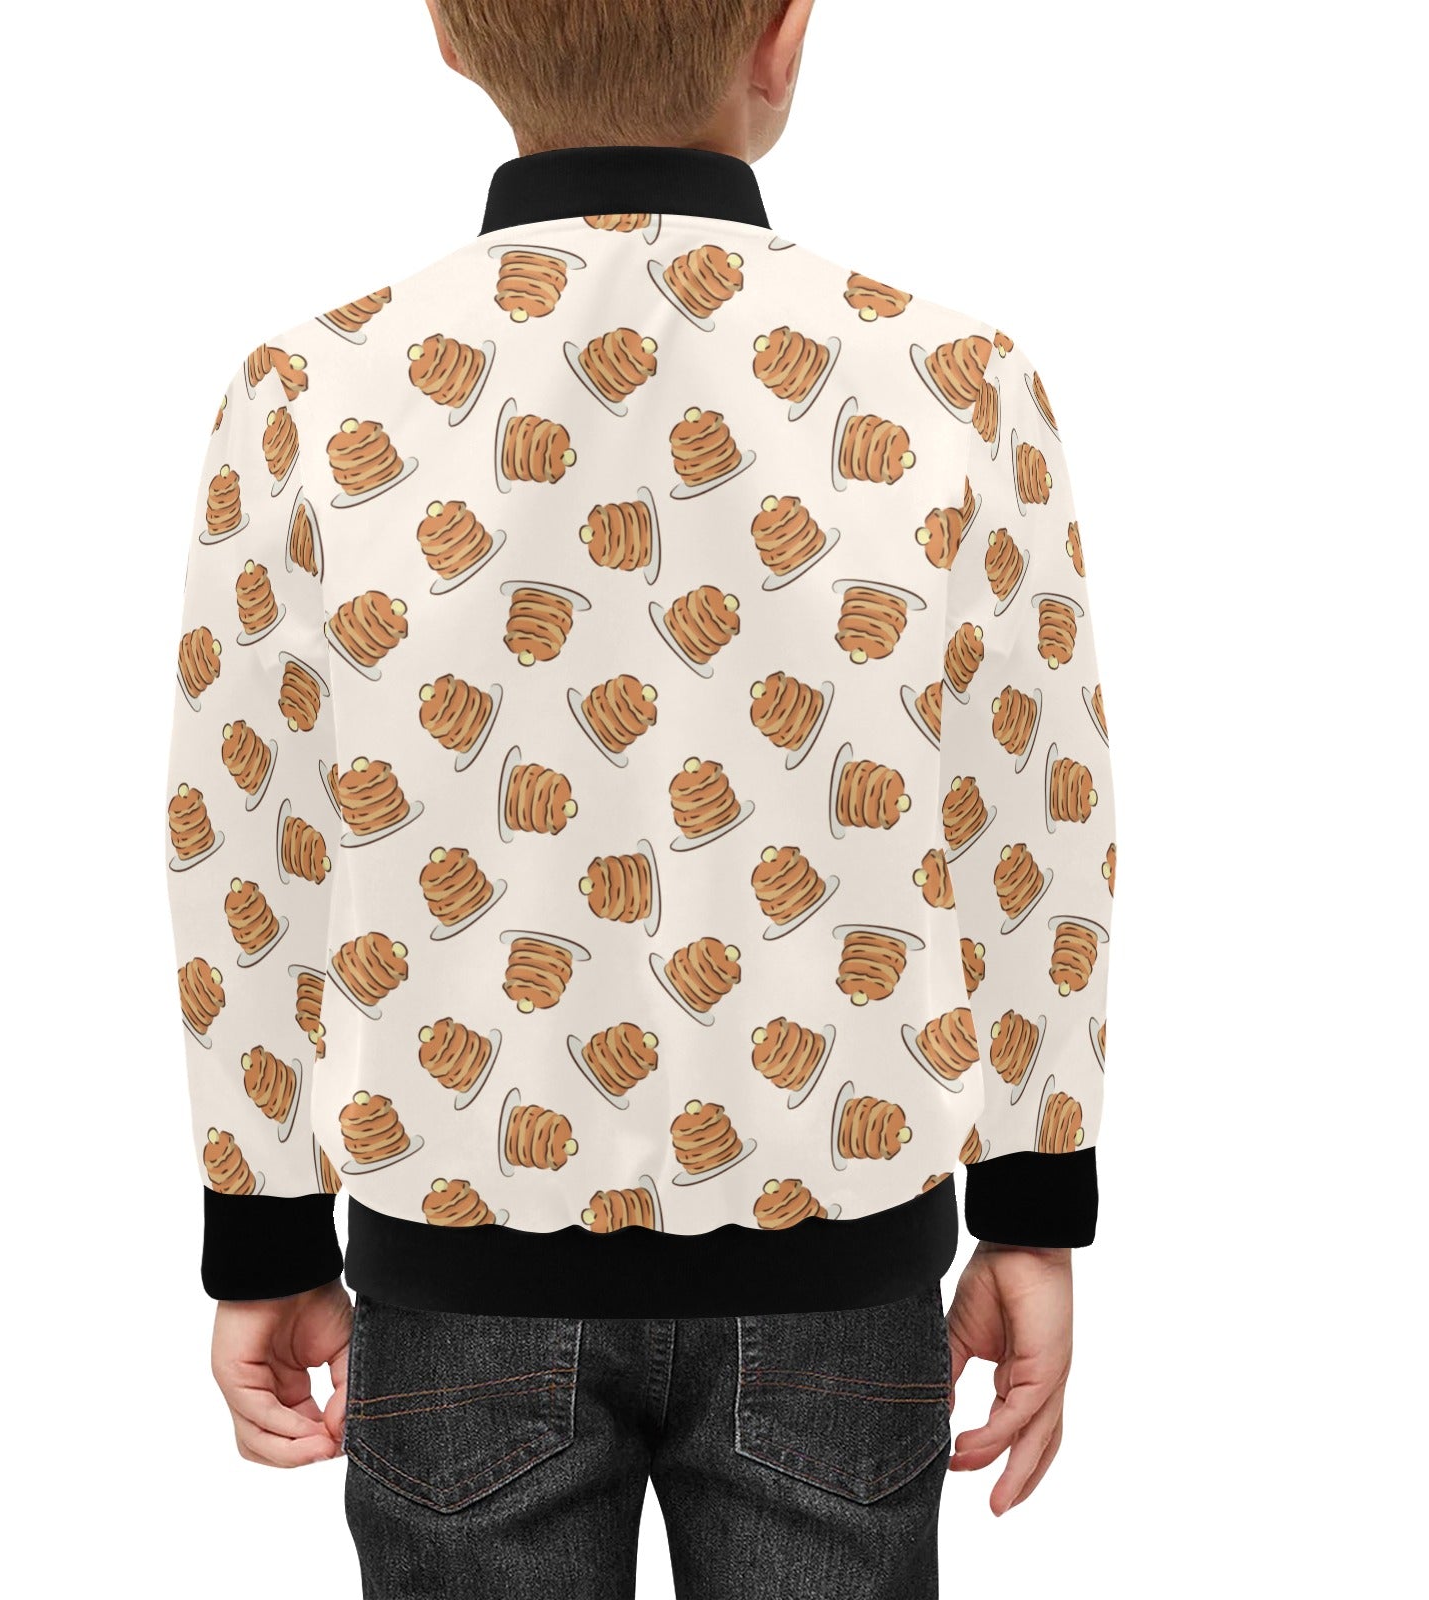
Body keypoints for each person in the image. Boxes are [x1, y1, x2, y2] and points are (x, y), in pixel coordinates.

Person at [162, 2, 1119, 1593]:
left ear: (452, 34)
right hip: (840, 1269)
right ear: (782, 35)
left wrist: (263, 1229)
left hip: (458, 1277)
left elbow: (246, 834)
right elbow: (1033, 816)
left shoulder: (309, 392)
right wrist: (1030, 1204)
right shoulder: (955, 379)